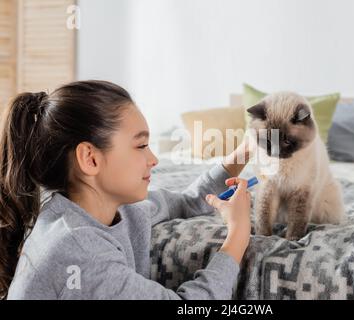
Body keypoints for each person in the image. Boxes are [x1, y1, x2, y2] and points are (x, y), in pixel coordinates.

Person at [0, 80, 253, 299]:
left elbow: (188, 200)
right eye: (141, 145)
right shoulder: (80, 250)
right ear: (90, 158)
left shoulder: (121, 210)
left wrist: (246, 151)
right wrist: (238, 235)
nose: (154, 159)